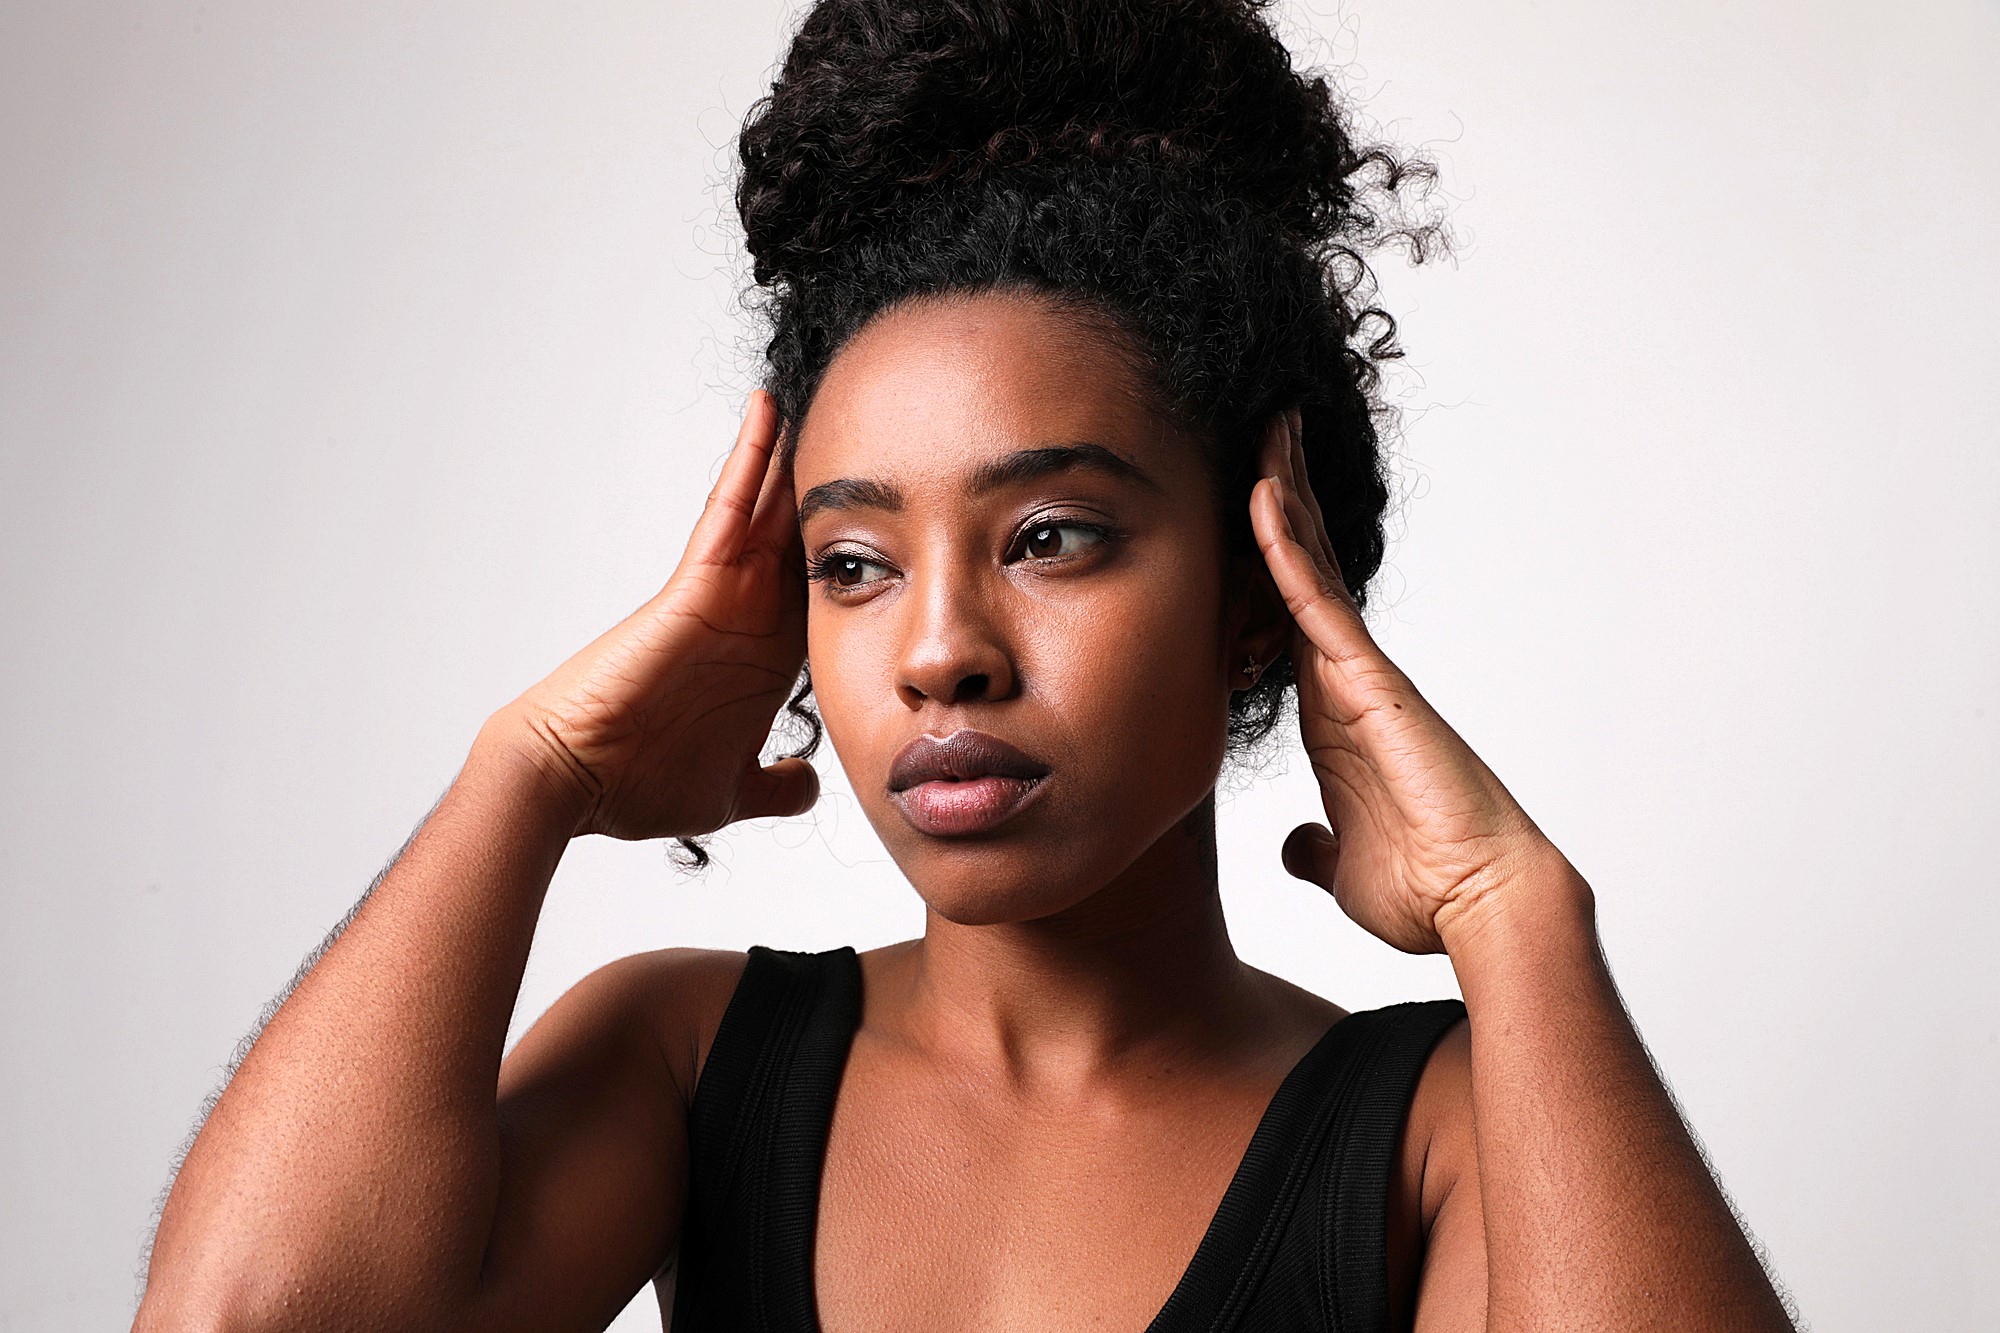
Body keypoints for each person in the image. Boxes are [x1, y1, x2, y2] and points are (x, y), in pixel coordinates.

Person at [134, 1, 1797, 1328]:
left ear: (1253, 588)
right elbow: (247, 1319)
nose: (936, 650)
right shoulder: (692, 1055)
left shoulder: (1440, 1131)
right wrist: (530, 777)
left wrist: (1520, 918)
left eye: (1052, 535)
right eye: (851, 564)